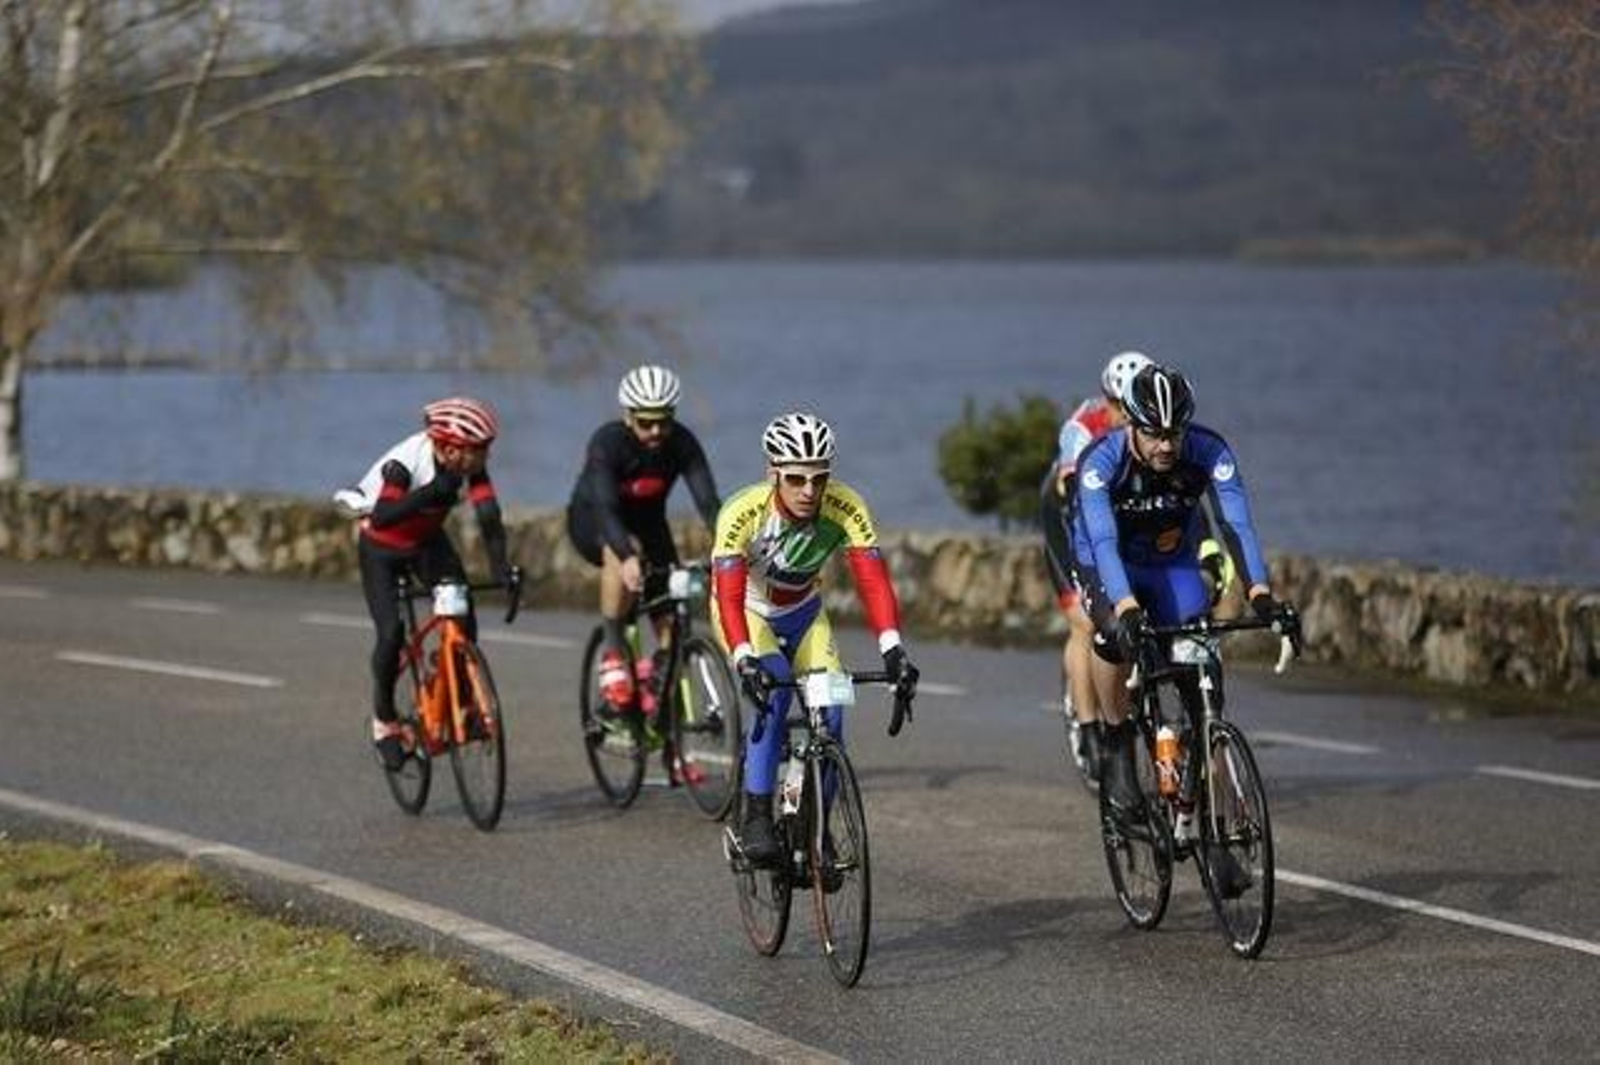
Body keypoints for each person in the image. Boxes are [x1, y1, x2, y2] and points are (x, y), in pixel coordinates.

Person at [1068, 363, 1300, 868]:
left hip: (1173, 563)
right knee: (1112, 635)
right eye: (1153, 434)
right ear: (1130, 423)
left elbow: (1237, 523)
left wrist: (1261, 594)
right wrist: (1126, 608)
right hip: (1108, 562)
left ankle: (1213, 822)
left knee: (1204, 694)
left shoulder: (1209, 451)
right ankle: (1114, 738)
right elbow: (1104, 541)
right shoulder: (1099, 462)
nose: (1165, 446)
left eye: (1173, 433)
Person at [711, 412, 919, 865]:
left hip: (804, 613)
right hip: (747, 614)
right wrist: (745, 656)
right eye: (796, 478)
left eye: (818, 478)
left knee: (833, 715)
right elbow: (726, 595)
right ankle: (758, 818)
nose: (809, 490)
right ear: (773, 474)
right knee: (775, 688)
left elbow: (873, 582)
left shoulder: (845, 507)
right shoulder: (742, 511)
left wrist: (892, 649)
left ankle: (814, 828)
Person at [334, 397, 518, 771]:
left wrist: (502, 569)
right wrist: (434, 491)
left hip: (427, 543)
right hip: (382, 549)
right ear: (450, 449)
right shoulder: (405, 463)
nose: (485, 457)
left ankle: (459, 691)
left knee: (464, 614)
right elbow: (384, 516)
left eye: (487, 448)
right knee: (391, 634)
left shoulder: (469, 466)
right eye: (478, 450)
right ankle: (384, 722)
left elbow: (489, 516)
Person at [566, 365, 721, 737]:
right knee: (622, 553)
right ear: (628, 416)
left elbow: (710, 504)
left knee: (673, 612)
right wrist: (626, 555)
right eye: (646, 422)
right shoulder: (608, 443)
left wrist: (729, 546)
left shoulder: (682, 443)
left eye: (664, 422)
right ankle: (614, 653)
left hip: (651, 526)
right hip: (595, 524)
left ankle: (661, 684)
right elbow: (605, 508)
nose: (656, 432)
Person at [1039, 351, 1151, 784]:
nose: (1128, 415)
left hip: (1117, 518)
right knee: (1085, 623)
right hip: (1067, 520)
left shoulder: (1150, 426)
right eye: (1121, 406)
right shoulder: (1082, 430)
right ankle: (1089, 728)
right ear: (1107, 400)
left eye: (1134, 406)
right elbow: (1075, 495)